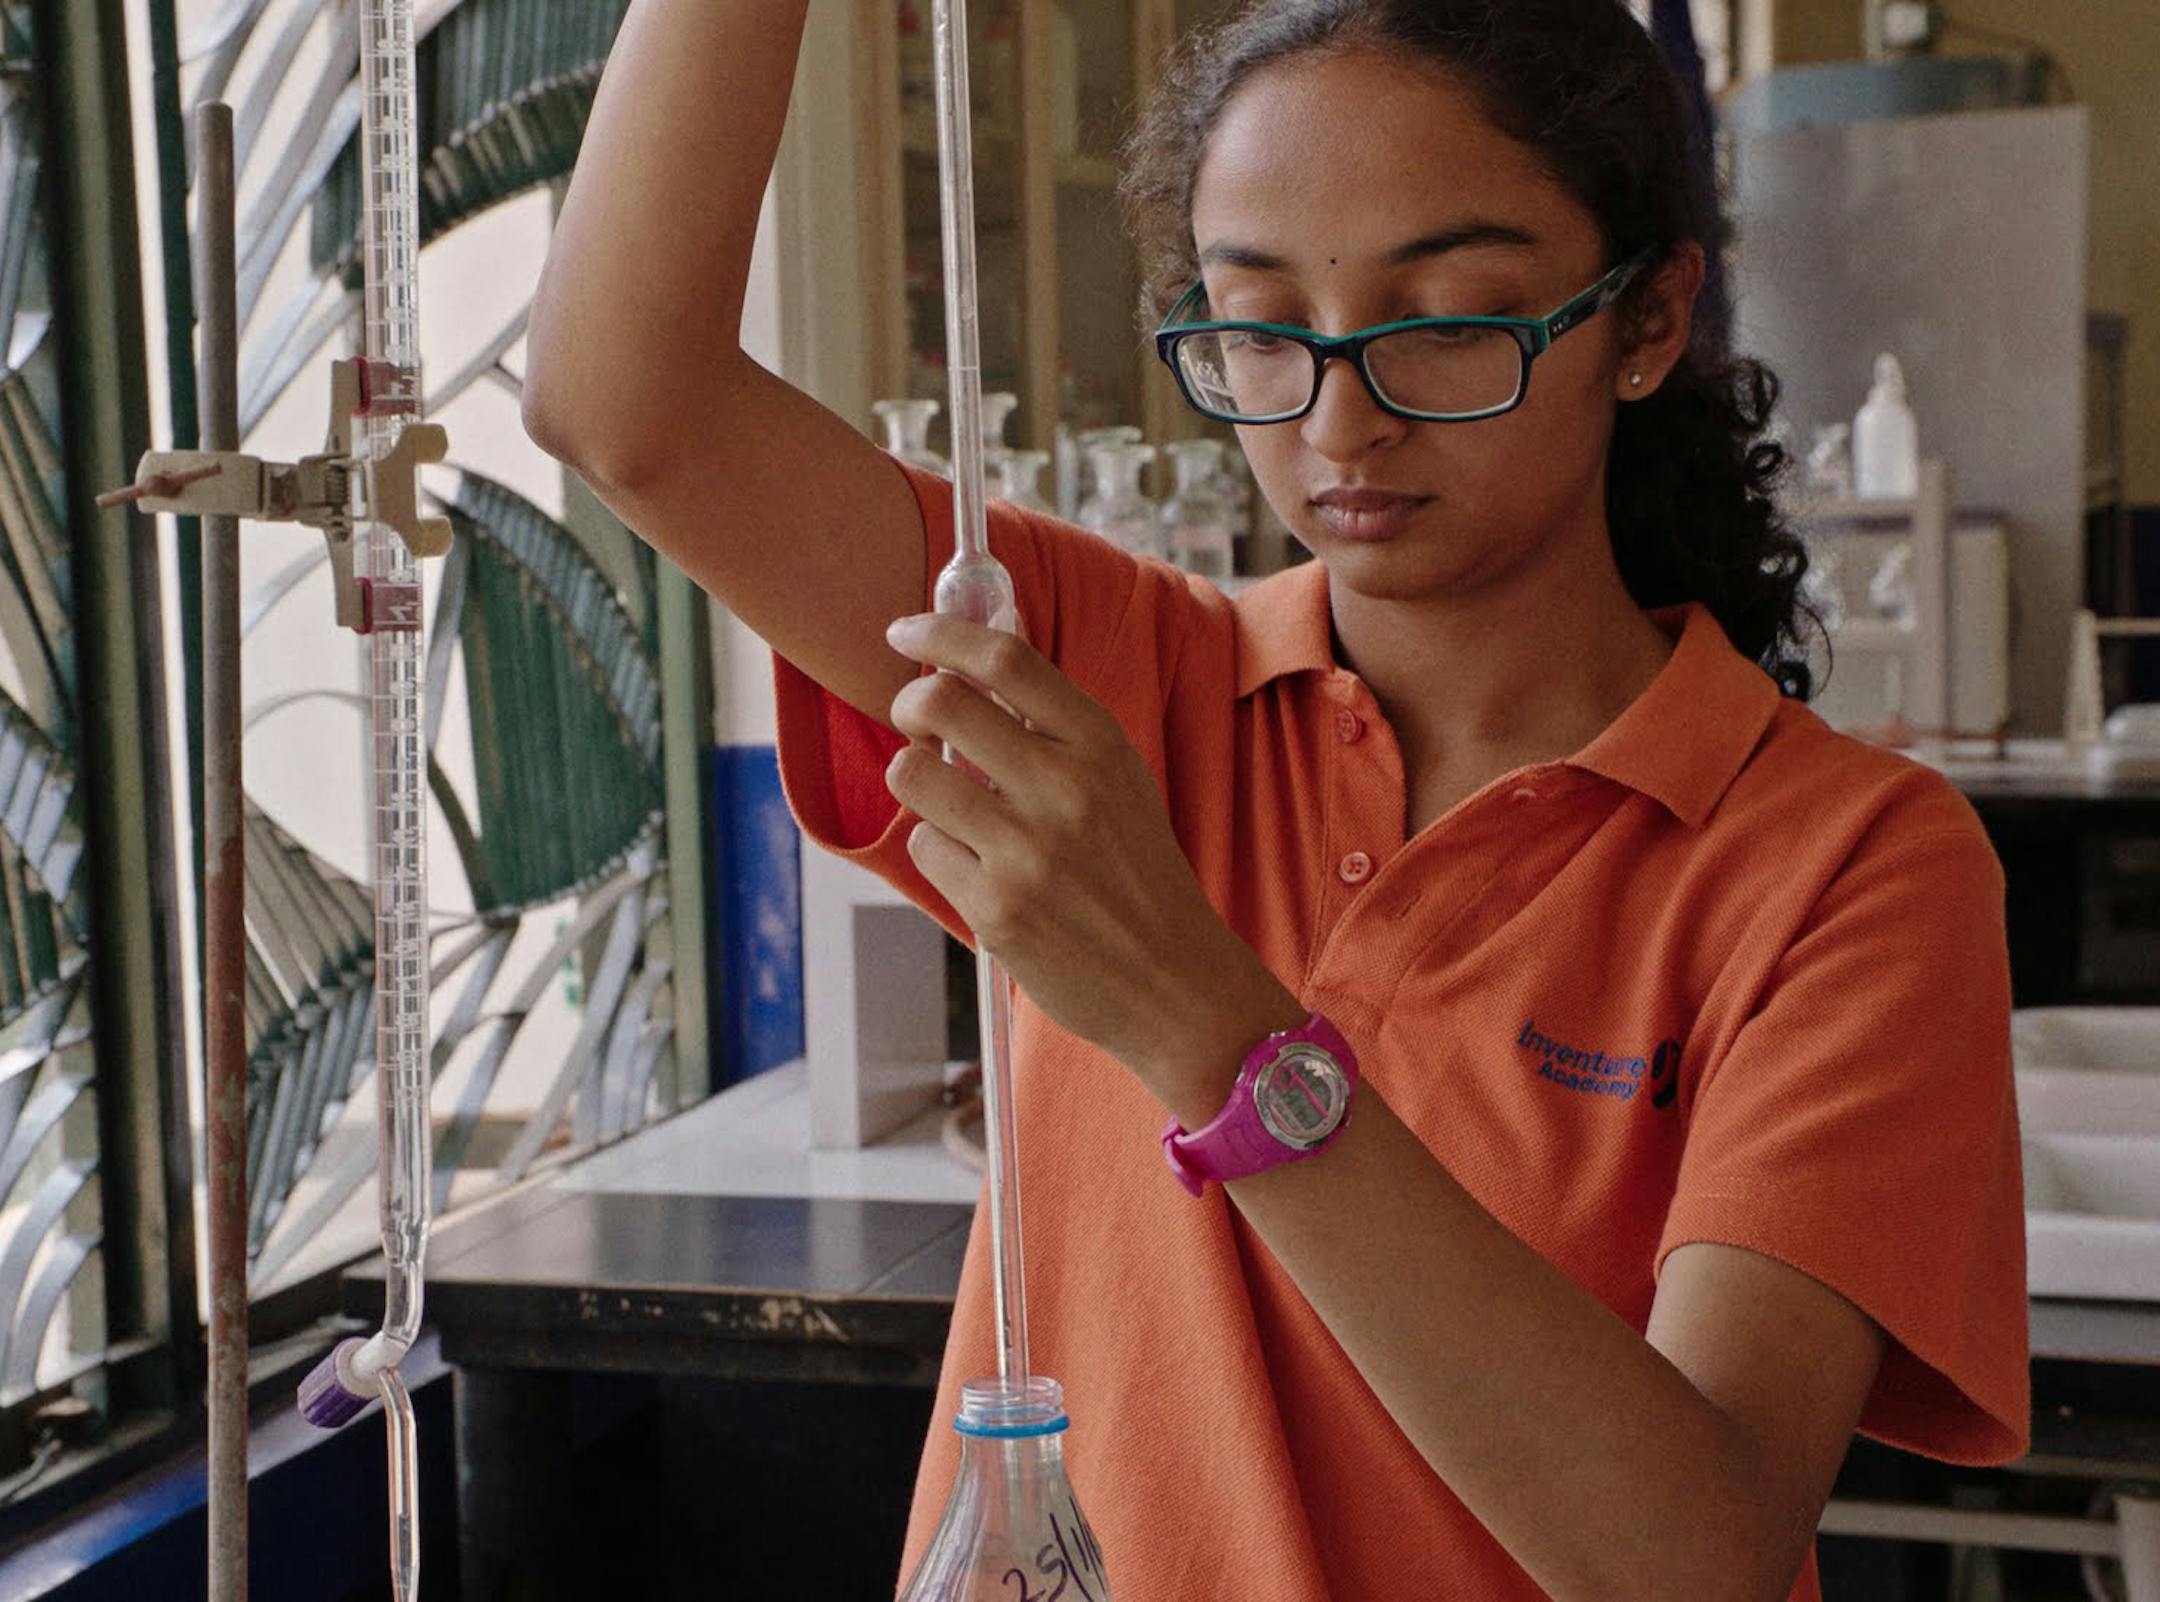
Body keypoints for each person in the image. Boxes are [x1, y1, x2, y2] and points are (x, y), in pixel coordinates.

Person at [523, 2, 2030, 1596]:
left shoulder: (1846, 865)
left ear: (1647, 318)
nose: (1337, 422)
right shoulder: (1113, 678)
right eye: (1259, 324)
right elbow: (629, 406)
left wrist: (1212, 1026)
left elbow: (1694, 1557)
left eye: (1447, 317)